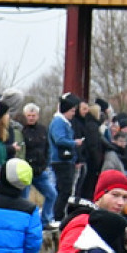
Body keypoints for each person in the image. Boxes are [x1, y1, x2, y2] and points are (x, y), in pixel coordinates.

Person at [20, 103, 57, 228]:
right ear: (25, 116)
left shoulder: (43, 129)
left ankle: (45, 220)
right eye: (29, 115)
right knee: (24, 199)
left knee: (52, 194)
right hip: (26, 171)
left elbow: (47, 148)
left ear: (38, 116)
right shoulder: (22, 131)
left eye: (33, 115)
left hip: (40, 171)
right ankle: (25, 223)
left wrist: (46, 163)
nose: (31, 118)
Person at [49, 93, 84, 224]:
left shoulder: (63, 122)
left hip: (66, 160)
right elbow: (59, 139)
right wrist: (74, 143)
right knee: (64, 190)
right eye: (72, 111)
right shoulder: (59, 122)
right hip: (61, 160)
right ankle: (57, 216)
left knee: (64, 190)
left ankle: (58, 215)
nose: (73, 114)